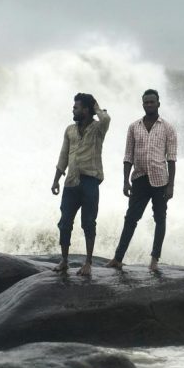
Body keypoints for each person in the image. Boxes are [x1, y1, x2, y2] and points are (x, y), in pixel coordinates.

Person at [107, 89, 177, 273]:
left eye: (152, 102)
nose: (149, 105)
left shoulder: (167, 128)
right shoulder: (134, 127)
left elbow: (172, 158)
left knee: (160, 219)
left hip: (160, 180)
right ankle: (118, 258)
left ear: (158, 104)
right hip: (138, 179)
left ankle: (154, 260)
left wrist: (171, 185)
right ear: (143, 104)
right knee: (130, 218)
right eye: (146, 102)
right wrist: (125, 181)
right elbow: (128, 156)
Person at [51, 93, 110, 276]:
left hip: (90, 181)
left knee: (88, 223)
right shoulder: (70, 130)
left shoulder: (98, 128)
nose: (73, 110)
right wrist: (55, 179)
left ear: (86, 109)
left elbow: (106, 118)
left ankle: (88, 263)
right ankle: (64, 260)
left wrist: (97, 107)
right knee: (65, 222)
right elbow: (63, 155)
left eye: (76, 107)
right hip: (71, 182)